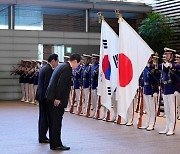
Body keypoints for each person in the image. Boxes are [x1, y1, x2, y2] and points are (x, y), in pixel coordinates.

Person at [45, 53, 81, 151]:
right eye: (78, 64)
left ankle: (54, 143)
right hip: (56, 100)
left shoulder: (62, 65)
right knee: (56, 122)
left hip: (50, 97)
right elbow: (61, 84)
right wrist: (58, 98)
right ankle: (57, 144)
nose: (77, 67)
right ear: (74, 61)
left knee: (53, 122)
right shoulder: (67, 68)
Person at [36, 54, 59, 143]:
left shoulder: (44, 68)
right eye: (57, 61)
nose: (57, 63)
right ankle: (43, 137)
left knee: (42, 116)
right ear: (53, 60)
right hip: (45, 97)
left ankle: (42, 136)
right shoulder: (49, 70)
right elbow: (48, 85)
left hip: (41, 95)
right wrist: (51, 97)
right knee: (44, 117)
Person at [159, 47, 177, 136]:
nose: (166, 56)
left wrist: (177, 89)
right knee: (167, 109)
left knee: (172, 109)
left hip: (172, 89)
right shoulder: (164, 64)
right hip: (165, 89)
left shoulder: (175, 65)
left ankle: (171, 128)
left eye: (168, 54)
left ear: (172, 56)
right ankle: (167, 126)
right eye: (165, 54)